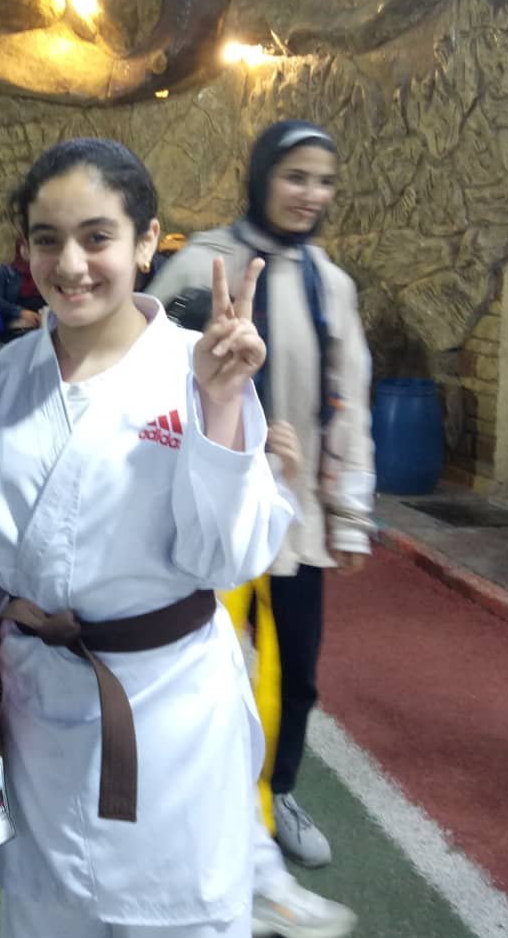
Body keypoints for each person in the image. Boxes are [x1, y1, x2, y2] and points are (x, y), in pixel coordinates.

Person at [0, 138, 289, 938]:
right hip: (37, 704)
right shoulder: (5, 377)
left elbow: (228, 561)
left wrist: (222, 409)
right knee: (44, 920)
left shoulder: (198, 367)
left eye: (97, 237)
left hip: (167, 709)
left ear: (147, 242)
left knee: (179, 921)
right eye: (47, 240)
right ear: (24, 251)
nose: (71, 264)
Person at [148, 119, 375, 874]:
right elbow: (143, 374)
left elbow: (350, 401)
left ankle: (274, 795)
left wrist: (349, 515)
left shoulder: (330, 285)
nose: (310, 194)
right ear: (261, 177)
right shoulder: (201, 265)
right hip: (208, 514)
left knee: (293, 673)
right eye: (295, 176)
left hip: (293, 521)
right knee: (191, 667)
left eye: (324, 181)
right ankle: (186, 806)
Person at [0, 245, 47, 345]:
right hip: (17, 323)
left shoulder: (44, 273)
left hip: (45, 322)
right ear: (20, 248)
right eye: (26, 246)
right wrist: (21, 312)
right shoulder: (6, 272)